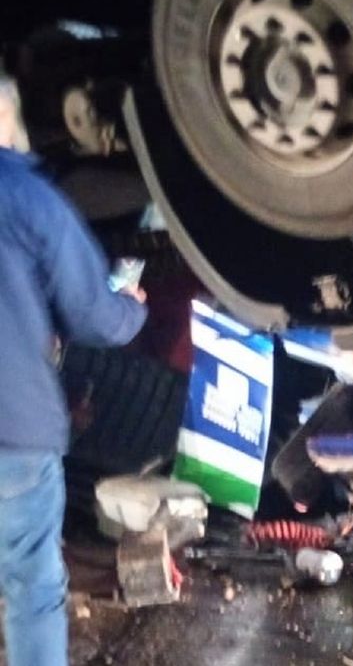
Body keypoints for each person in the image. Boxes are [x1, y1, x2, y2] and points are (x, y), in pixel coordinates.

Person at [0, 72, 147, 666]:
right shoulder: (27, 197)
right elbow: (94, 316)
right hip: (13, 433)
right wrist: (130, 311)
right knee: (32, 590)